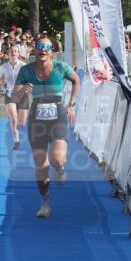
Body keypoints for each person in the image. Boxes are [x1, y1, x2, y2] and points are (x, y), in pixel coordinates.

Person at [12, 37, 81, 219]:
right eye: (39, 47)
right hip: (37, 117)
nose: (42, 50)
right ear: (34, 50)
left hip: (58, 114)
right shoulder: (26, 70)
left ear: (51, 51)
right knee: (41, 166)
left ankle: (59, 169)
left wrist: (72, 103)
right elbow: (15, 96)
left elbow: (76, 80)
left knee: (57, 159)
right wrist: (23, 91)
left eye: (46, 47)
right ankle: (45, 203)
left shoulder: (60, 67)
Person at [0, 46, 28, 148]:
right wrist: (1, 81)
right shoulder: (3, 67)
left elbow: (29, 80)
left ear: (18, 53)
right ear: (8, 54)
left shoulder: (23, 66)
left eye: (15, 51)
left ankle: (16, 128)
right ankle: (16, 140)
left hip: (22, 94)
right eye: (11, 51)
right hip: (9, 93)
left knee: (22, 123)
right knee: (13, 119)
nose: (13, 53)